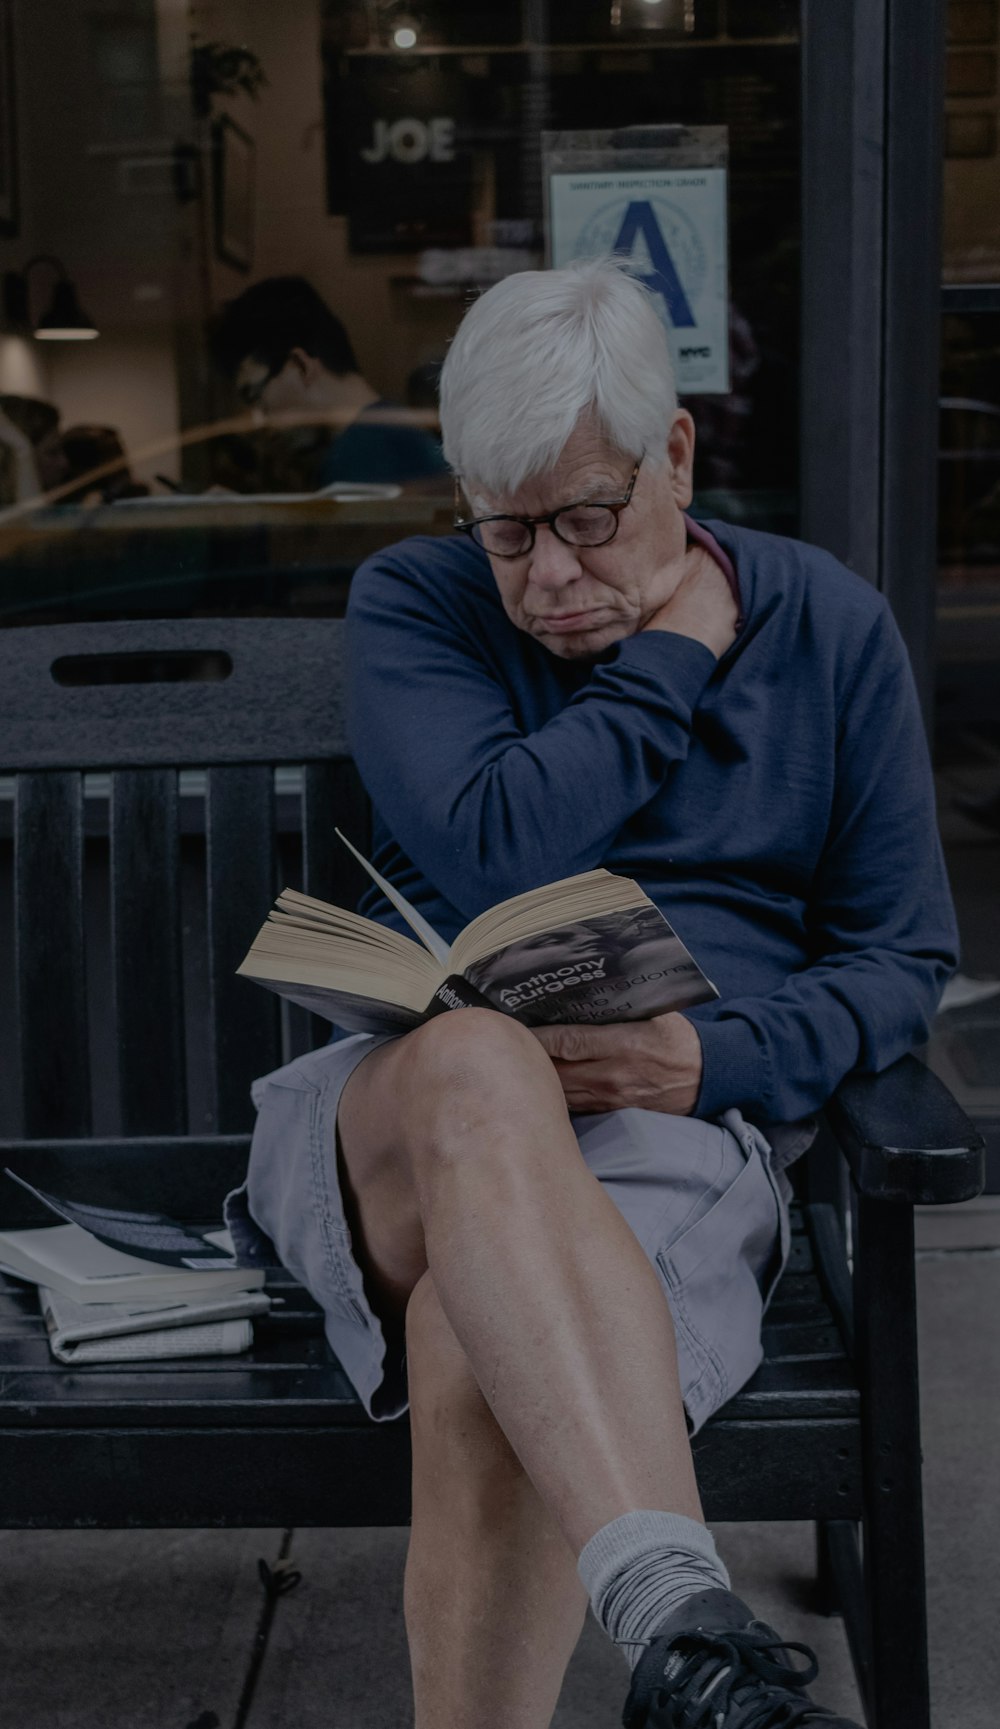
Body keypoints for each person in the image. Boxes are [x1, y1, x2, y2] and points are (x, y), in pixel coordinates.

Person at [225, 258, 958, 1727]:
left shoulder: (828, 627)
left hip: (666, 1141)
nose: (546, 575)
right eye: (506, 530)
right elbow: (503, 837)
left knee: (475, 1335)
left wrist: (710, 1060)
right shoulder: (420, 601)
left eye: (584, 518)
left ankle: (676, 1640)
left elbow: (903, 958)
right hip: (392, 1131)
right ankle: (683, 1608)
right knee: (484, 1058)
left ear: (675, 450)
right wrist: (673, 654)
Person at [210, 275, 449, 488]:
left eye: (255, 396)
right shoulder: (389, 434)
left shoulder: (362, 459)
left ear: (300, 365)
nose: (258, 421)